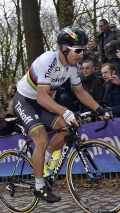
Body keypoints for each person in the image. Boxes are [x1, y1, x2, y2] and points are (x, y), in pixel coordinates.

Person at [13, 26, 110, 203]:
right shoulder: (48, 60)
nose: (81, 54)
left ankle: (48, 156)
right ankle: (39, 186)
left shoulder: (73, 66)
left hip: (41, 103)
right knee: (41, 138)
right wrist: (65, 111)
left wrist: (99, 109)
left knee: (68, 128)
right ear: (64, 48)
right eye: (78, 50)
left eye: (84, 50)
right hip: (25, 101)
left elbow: (80, 92)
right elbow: (42, 97)